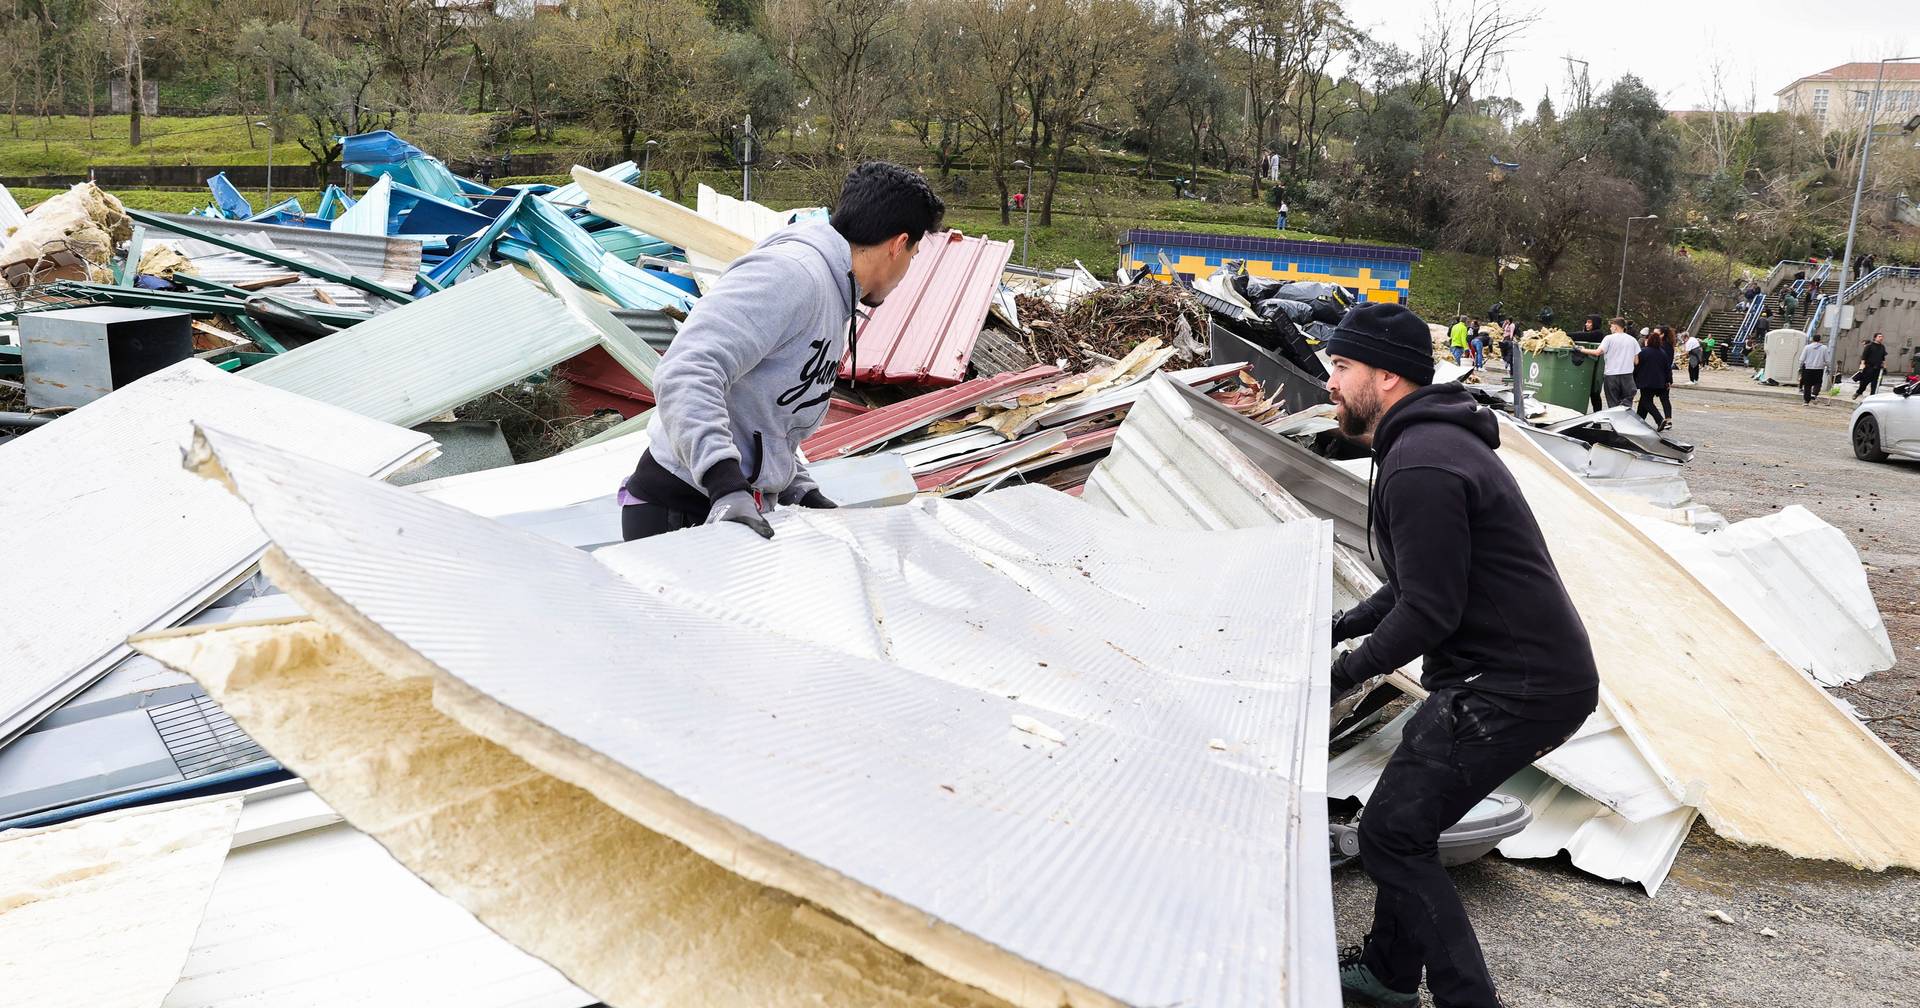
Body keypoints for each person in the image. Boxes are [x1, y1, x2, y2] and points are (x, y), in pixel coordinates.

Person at [1322, 302, 1599, 1008]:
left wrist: (1338, 676)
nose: (1329, 380)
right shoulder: (1425, 447)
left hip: (1516, 686)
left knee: (1389, 837)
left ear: (1386, 379)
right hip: (1506, 677)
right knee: (1404, 825)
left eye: (1342, 366)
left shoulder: (1423, 462)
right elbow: (1418, 582)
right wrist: (1336, 629)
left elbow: (1428, 610)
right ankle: (1387, 973)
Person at [622, 161, 945, 541]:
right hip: (682, 509)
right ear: (898, 245)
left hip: (727, 507)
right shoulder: (793, 275)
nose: (909, 267)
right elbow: (686, 369)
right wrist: (725, 484)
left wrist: (799, 488)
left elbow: (768, 416)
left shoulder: (834, 292)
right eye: (914, 255)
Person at [1578, 317, 1640, 409]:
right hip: (1627, 376)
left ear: (1615, 327)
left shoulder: (1609, 338)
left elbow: (1597, 352)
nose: (1610, 329)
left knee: (1613, 404)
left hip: (1612, 375)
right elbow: (1636, 361)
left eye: (1611, 326)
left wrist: (1582, 350)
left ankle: (1616, 422)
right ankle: (1624, 420)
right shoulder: (1633, 340)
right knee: (1626, 405)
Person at [1632, 328, 1670, 430]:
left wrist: (1633, 378)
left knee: (1646, 401)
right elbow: (1667, 368)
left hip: (1646, 381)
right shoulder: (1662, 353)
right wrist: (1668, 381)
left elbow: (1636, 366)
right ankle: (1639, 421)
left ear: (1648, 340)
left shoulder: (1643, 352)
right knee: (1644, 400)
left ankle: (1659, 419)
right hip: (1659, 382)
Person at [1797, 333, 1832, 404]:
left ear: (1813, 339)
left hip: (1808, 368)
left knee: (1807, 385)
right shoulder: (1824, 348)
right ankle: (1814, 394)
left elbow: (1802, 359)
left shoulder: (1807, 347)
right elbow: (1827, 360)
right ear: (1820, 339)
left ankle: (1806, 401)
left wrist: (1800, 367)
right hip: (1819, 368)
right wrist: (1829, 367)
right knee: (1818, 382)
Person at [1856, 332, 1889, 398]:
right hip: (1868, 368)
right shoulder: (1869, 346)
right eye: (1879, 336)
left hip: (1877, 369)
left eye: (1882, 337)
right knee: (1864, 383)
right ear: (1875, 338)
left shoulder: (1882, 347)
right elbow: (1864, 357)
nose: (1881, 338)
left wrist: (1884, 366)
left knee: (1875, 385)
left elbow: (1883, 358)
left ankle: (1872, 397)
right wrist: (1862, 365)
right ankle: (1858, 392)